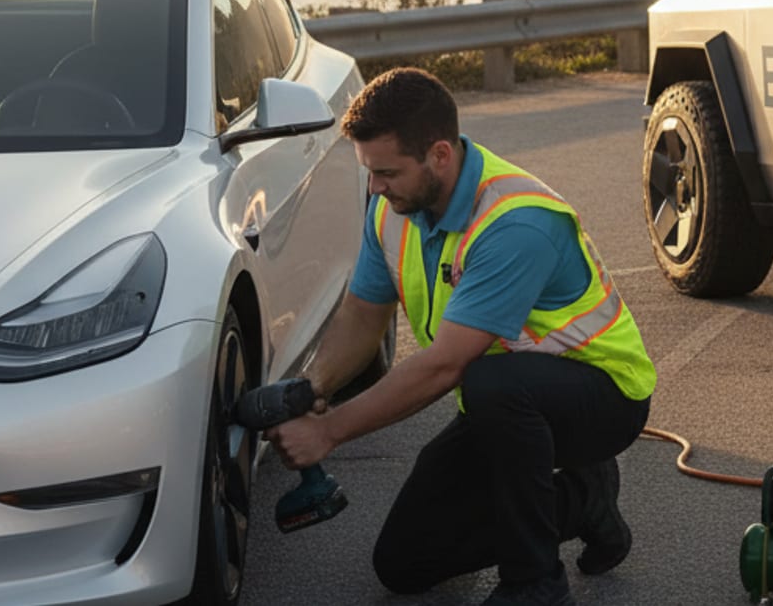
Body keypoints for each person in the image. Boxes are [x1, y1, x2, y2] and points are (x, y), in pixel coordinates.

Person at [267, 67, 656, 606]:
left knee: (490, 382)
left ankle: (536, 583)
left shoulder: (514, 223)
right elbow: (362, 313)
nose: (375, 187)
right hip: (503, 402)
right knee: (403, 563)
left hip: (602, 398)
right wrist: (311, 390)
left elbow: (445, 365)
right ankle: (584, 498)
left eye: (386, 172)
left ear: (440, 156)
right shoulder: (393, 208)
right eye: (369, 173)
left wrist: (328, 431)